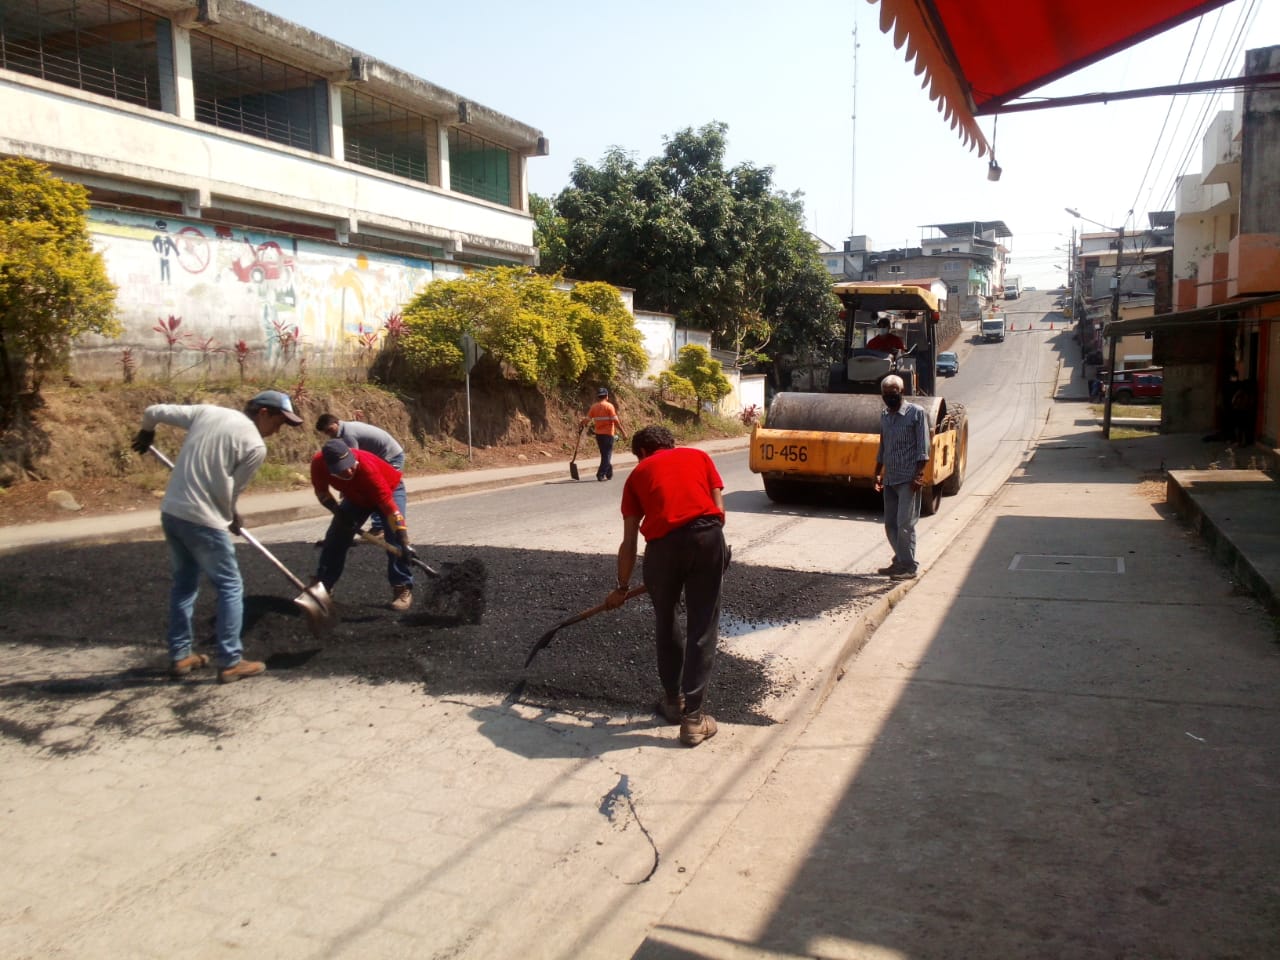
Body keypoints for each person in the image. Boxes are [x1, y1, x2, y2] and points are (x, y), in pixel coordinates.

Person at [130, 390, 303, 683]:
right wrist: (232, 515)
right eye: (278, 422)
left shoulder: (208, 413)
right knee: (230, 587)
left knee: (184, 585)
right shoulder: (254, 445)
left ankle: (180, 655)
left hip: (173, 513)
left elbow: (153, 411)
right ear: (263, 412)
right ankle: (230, 661)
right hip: (205, 521)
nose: (278, 430)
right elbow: (232, 491)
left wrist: (147, 432)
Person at [604, 425, 727, 747]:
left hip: (662, 549)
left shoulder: (637, 475)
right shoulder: (699, 457)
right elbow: (719, 509)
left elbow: (629, 541)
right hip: (707, 536)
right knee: (702, 625)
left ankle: (673, 701)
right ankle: (694, 720)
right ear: (671, 444)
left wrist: (621, 586)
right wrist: (712, 551)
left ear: (642, 452)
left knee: (666, 619)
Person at [311, 439, 415, 611]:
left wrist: (403, 539)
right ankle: (323, 586)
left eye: (350, 465)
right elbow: (321, 492)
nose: (348, 471)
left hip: (389, 490)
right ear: (329, 467)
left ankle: (402, 586)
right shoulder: (318, 464)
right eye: (341, 469)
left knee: (394, 538)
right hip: (356, 497)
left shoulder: (367, 468)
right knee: (336, 537)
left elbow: (390, 509)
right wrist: (338, 512)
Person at [873, 374, 931, 581]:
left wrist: (918, 476)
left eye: (893, 393)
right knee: (890, 524)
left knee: (905, 524)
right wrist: (877, 473)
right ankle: (899, 560)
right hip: (890, 478)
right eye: (886, 394)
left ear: (902, 392)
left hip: (908, 478)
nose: (889, 397)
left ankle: (908, 567)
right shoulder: (885, 415)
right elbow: (883, 446)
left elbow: (923, 448)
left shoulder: (916, 413)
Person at [315, 413, 406, 536]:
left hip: (391, 455)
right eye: (326, 433)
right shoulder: (345, 429)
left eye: (330, 430)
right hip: (377, 456)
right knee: (371, 490)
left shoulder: (348, 434)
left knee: (379, 490)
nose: (329, 434)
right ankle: (379, 527)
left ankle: (382, 528)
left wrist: (345, 490)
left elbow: (353, 461)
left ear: (336, 423)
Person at [580, 387, 628, 482]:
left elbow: (587, 419)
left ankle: (609, 473)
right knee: (607, 455)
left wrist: (581, 424)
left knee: (605, 454)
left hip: (599, 435)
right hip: (608, 434)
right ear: (606, 396)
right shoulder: (609, 406)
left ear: (598, 396)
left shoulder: (594, 407)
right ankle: (600, 474)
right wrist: (623, 432)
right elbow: (616, 421)